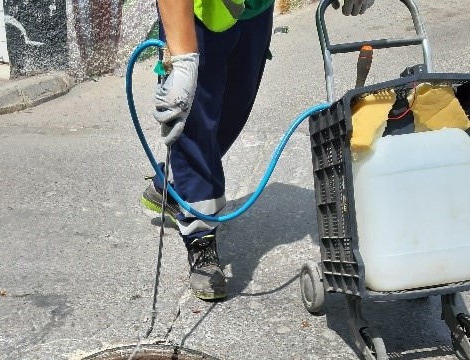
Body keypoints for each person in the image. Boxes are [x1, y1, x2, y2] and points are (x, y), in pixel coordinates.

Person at [142, 0, 375, 300]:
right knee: (195, 118)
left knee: (232, 113)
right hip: (199, 13)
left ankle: (172, 189)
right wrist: (184, 60)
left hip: (252, 10)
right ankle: (199, 233)